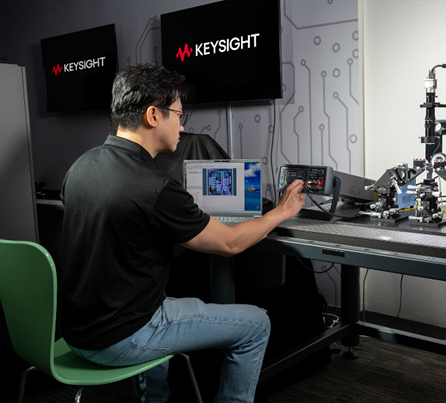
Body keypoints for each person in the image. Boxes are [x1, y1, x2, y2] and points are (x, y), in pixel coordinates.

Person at [59, 63, 305, 403]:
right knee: (256, 324)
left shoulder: (80, 166)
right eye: (178, 114)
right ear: (153, 115)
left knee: (160, 297)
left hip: (75, 333)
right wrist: (282, 211)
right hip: (121, 338)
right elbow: (230, 243)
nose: (182, 125)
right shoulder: (154, 187)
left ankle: (154, 398)